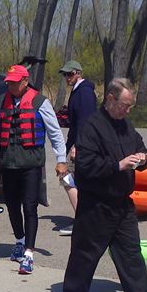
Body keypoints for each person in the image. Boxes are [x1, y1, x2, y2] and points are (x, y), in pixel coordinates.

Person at [60, 78, 147, 292]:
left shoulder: (126, 126)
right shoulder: (91, 126)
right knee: (86, 250)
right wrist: (117, 165)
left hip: (122, 202)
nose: (128, 110)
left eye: (130, 106)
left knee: (130, 250)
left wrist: (144, 159)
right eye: (125, 105)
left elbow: (142, 148)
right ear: (110, 98)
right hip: (96, 202)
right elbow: (86, 165)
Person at [0, 64, 68, 275]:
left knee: (30, 207)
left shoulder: (40, 102)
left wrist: (61, 160)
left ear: (25, 81)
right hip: (8, 164)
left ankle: (28, 253)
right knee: (12, 205)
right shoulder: (1, 102)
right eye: (9, 82)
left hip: (31, 165)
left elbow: (55, 133)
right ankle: (19, 240)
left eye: (15, 82)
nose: (11, 85)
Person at [58, 59, 97, 236]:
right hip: (76, 142)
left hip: (82, 144)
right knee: (76, 181)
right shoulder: (77, 91)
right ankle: (86, 218)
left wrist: (78, 146)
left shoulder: (85, 92)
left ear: (78, 73)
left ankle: (82, 221)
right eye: (65, 74)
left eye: (70, 74)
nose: (67, 77)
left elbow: (86, 121)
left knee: (66, 178)